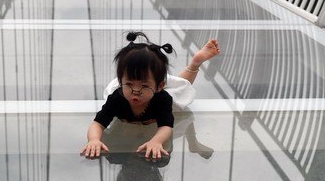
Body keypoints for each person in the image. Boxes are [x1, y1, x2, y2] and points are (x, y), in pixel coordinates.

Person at [80, 31, 220, 159]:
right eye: (129, 84)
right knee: (140, 85)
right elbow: (97, 124)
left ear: (160, 86)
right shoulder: (118, 97)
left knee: (179, 92)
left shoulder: (163, 98)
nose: (136, 91)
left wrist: (156, 141)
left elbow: (166, 126)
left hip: (156, 97)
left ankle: (195, 64)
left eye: (144, 86)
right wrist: (94, 140)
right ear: (121, 80)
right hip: (139, 93)